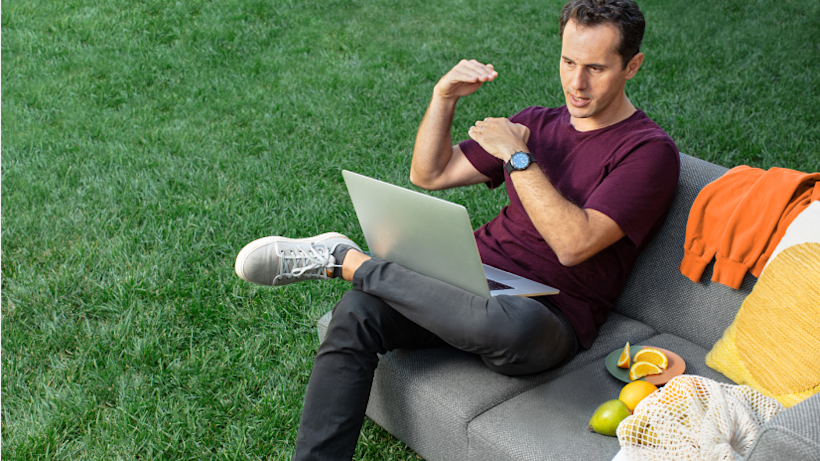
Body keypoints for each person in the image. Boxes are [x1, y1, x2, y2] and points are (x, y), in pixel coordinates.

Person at [234, 0, 680, 459]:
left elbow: (573, 244)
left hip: (545, 316)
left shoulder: (648, 152)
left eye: (596, 68)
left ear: (633, 66)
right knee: (357, 311)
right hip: (469, 278)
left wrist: (517, 156)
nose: (576, 83)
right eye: (568, 62)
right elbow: (431, 173)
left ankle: (347, 261)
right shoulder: (537, 123)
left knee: (509, 326)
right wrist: (442, 97)